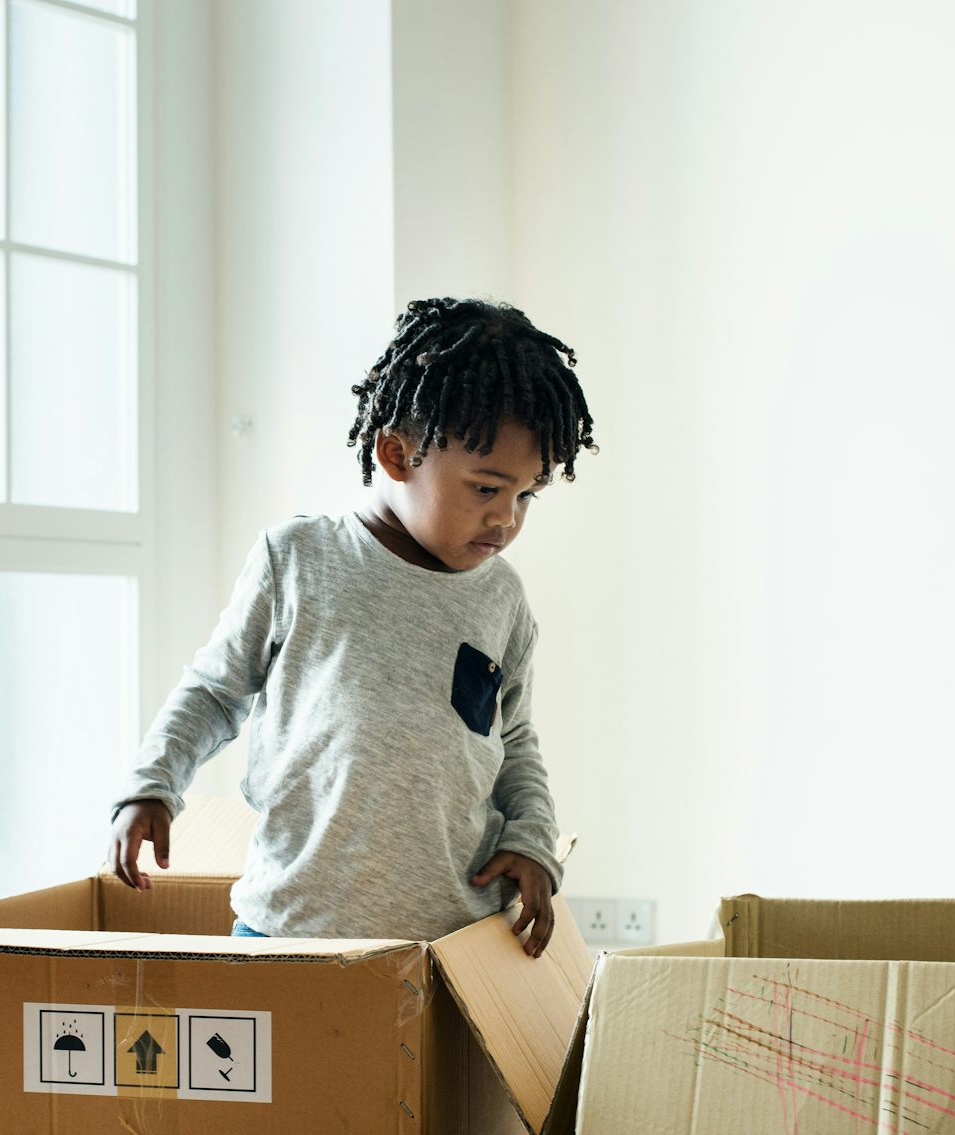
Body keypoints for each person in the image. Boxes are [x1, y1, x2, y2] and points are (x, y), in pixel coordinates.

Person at [106, 297, 597, 957]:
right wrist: (153, 783)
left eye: (526, 495)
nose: (507, 519)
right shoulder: (299, 559)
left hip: (448, 945)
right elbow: (214, 691)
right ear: (396, 454)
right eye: (486, 489)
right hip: (288, 929)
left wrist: (532, 837)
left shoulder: (501, 597)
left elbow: (513, 741)